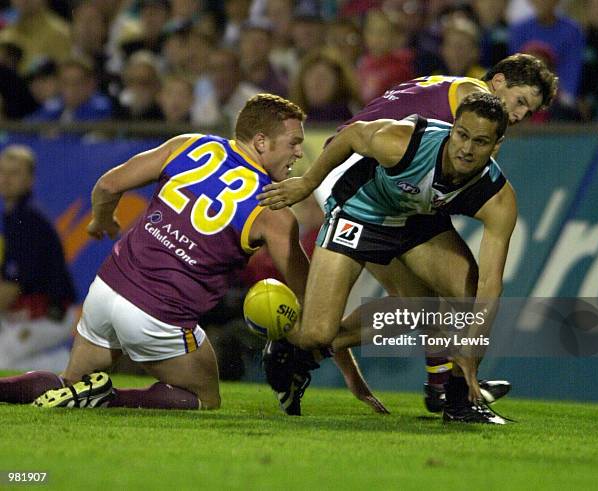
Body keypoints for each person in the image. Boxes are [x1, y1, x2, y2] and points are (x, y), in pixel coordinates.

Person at [0, 94, 384, 414]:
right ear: (262, 141)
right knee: (203, 397)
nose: (300, 153)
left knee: (69, 386)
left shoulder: (191, 144)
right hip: (159, 314)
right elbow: (314, 305)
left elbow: (108, 184)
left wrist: (102, 221)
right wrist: (351, 376)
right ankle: (109, 397)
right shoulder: (274, 212)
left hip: (106, 289)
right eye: (293, 143)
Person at [265, 53, 558, 416]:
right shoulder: (472, 98)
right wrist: (308, 182)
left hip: (406, 194)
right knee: (390, 312)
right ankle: (301, 348)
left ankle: (451, 386)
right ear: (497, 82)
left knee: (446, 299)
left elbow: (489, 287)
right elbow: (361, 137)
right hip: (364, 187)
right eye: (520, 102)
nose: (518, 115)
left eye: (528, 111)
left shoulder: (460, 113)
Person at [0, 145, 77, 370]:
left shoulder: (29, 220)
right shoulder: (13, 216)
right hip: (25, 314)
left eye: (14, 173)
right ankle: (60, 363)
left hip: (52, 315)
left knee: (3, 359)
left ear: (30, 180)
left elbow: (11, 289)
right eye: (2, 172)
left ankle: (64, 365)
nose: (5, 179)